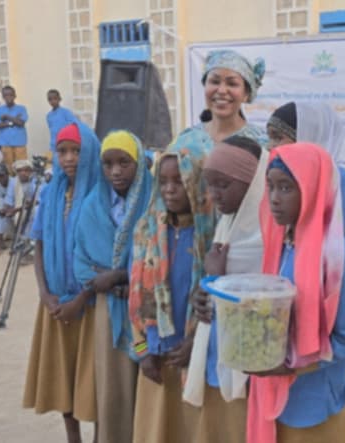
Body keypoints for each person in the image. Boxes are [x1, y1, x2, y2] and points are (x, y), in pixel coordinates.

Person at [245, 143, 345, 443]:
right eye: (270, 186)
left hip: (313, 401)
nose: (274, 198)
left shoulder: (336, 255)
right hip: (273, 395)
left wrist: (294, 363)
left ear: (313, 189)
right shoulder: (281, 246)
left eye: (286, 188)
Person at [62, 130, 152, 443]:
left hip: (147, 310)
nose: (115, 171)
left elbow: (160, 256)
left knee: (147, 381)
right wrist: (117, 278)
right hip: (108, 312)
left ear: (139, 164)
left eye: (124, 163)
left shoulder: (153, 203)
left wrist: (120, 276)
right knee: (113, 387)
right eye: (108, 163)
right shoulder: (92, 206)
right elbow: (82, 262)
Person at [128, 128, 215, 443]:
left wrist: (195, 346)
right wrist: (142, 352)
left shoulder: (213, 240)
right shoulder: (146, 234)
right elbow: (134, 309)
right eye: (162, 182)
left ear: (199, 181)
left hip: (196, 362)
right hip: (156, 364)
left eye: (179, 181)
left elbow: (217, 307)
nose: (169, 190)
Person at [187, 135, 269, 443]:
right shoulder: (227, 225)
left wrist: (220, 279)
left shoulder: (264, 239)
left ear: (252, 184)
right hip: (215, 356)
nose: (214, 194)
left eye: (224, 184)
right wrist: (202, 295)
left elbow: (264, 308)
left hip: (249, 370)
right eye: (211, 183)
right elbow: (210, 290)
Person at [23, 122, 100, 442]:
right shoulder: (50, 192)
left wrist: (80, 298)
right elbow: (39, 244)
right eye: (63, 151)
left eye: (76, 151)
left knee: (93, 382)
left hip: (91, 304)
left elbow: (104, 256)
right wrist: (45, 293)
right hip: (55, 302)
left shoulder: (100, 195)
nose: (69, 158)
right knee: (64, 382)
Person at [267, 102, 345, 238]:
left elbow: (333, 238)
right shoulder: (280, 175)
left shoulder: (338, 179)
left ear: (305, 137)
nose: (270, 146)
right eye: (269, 138)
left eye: (277, 137)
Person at [196, 50, 268, 146]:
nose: (222, 90)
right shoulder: (186, 141)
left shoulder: (262, 143)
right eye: (215, 82)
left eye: (232, 84)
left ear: (246, 94)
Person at [0, 86, 29, 171]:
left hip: (19, 143)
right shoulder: (0, 109)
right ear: (3, 97)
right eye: (6, 95)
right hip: (5, 144)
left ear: (15, 96)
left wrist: (7, 117)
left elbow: (21, 123)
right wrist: (13, 121)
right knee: (8, 169)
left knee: (22, 168)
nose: (8, 97)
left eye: (10, 95)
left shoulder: (21, 108)